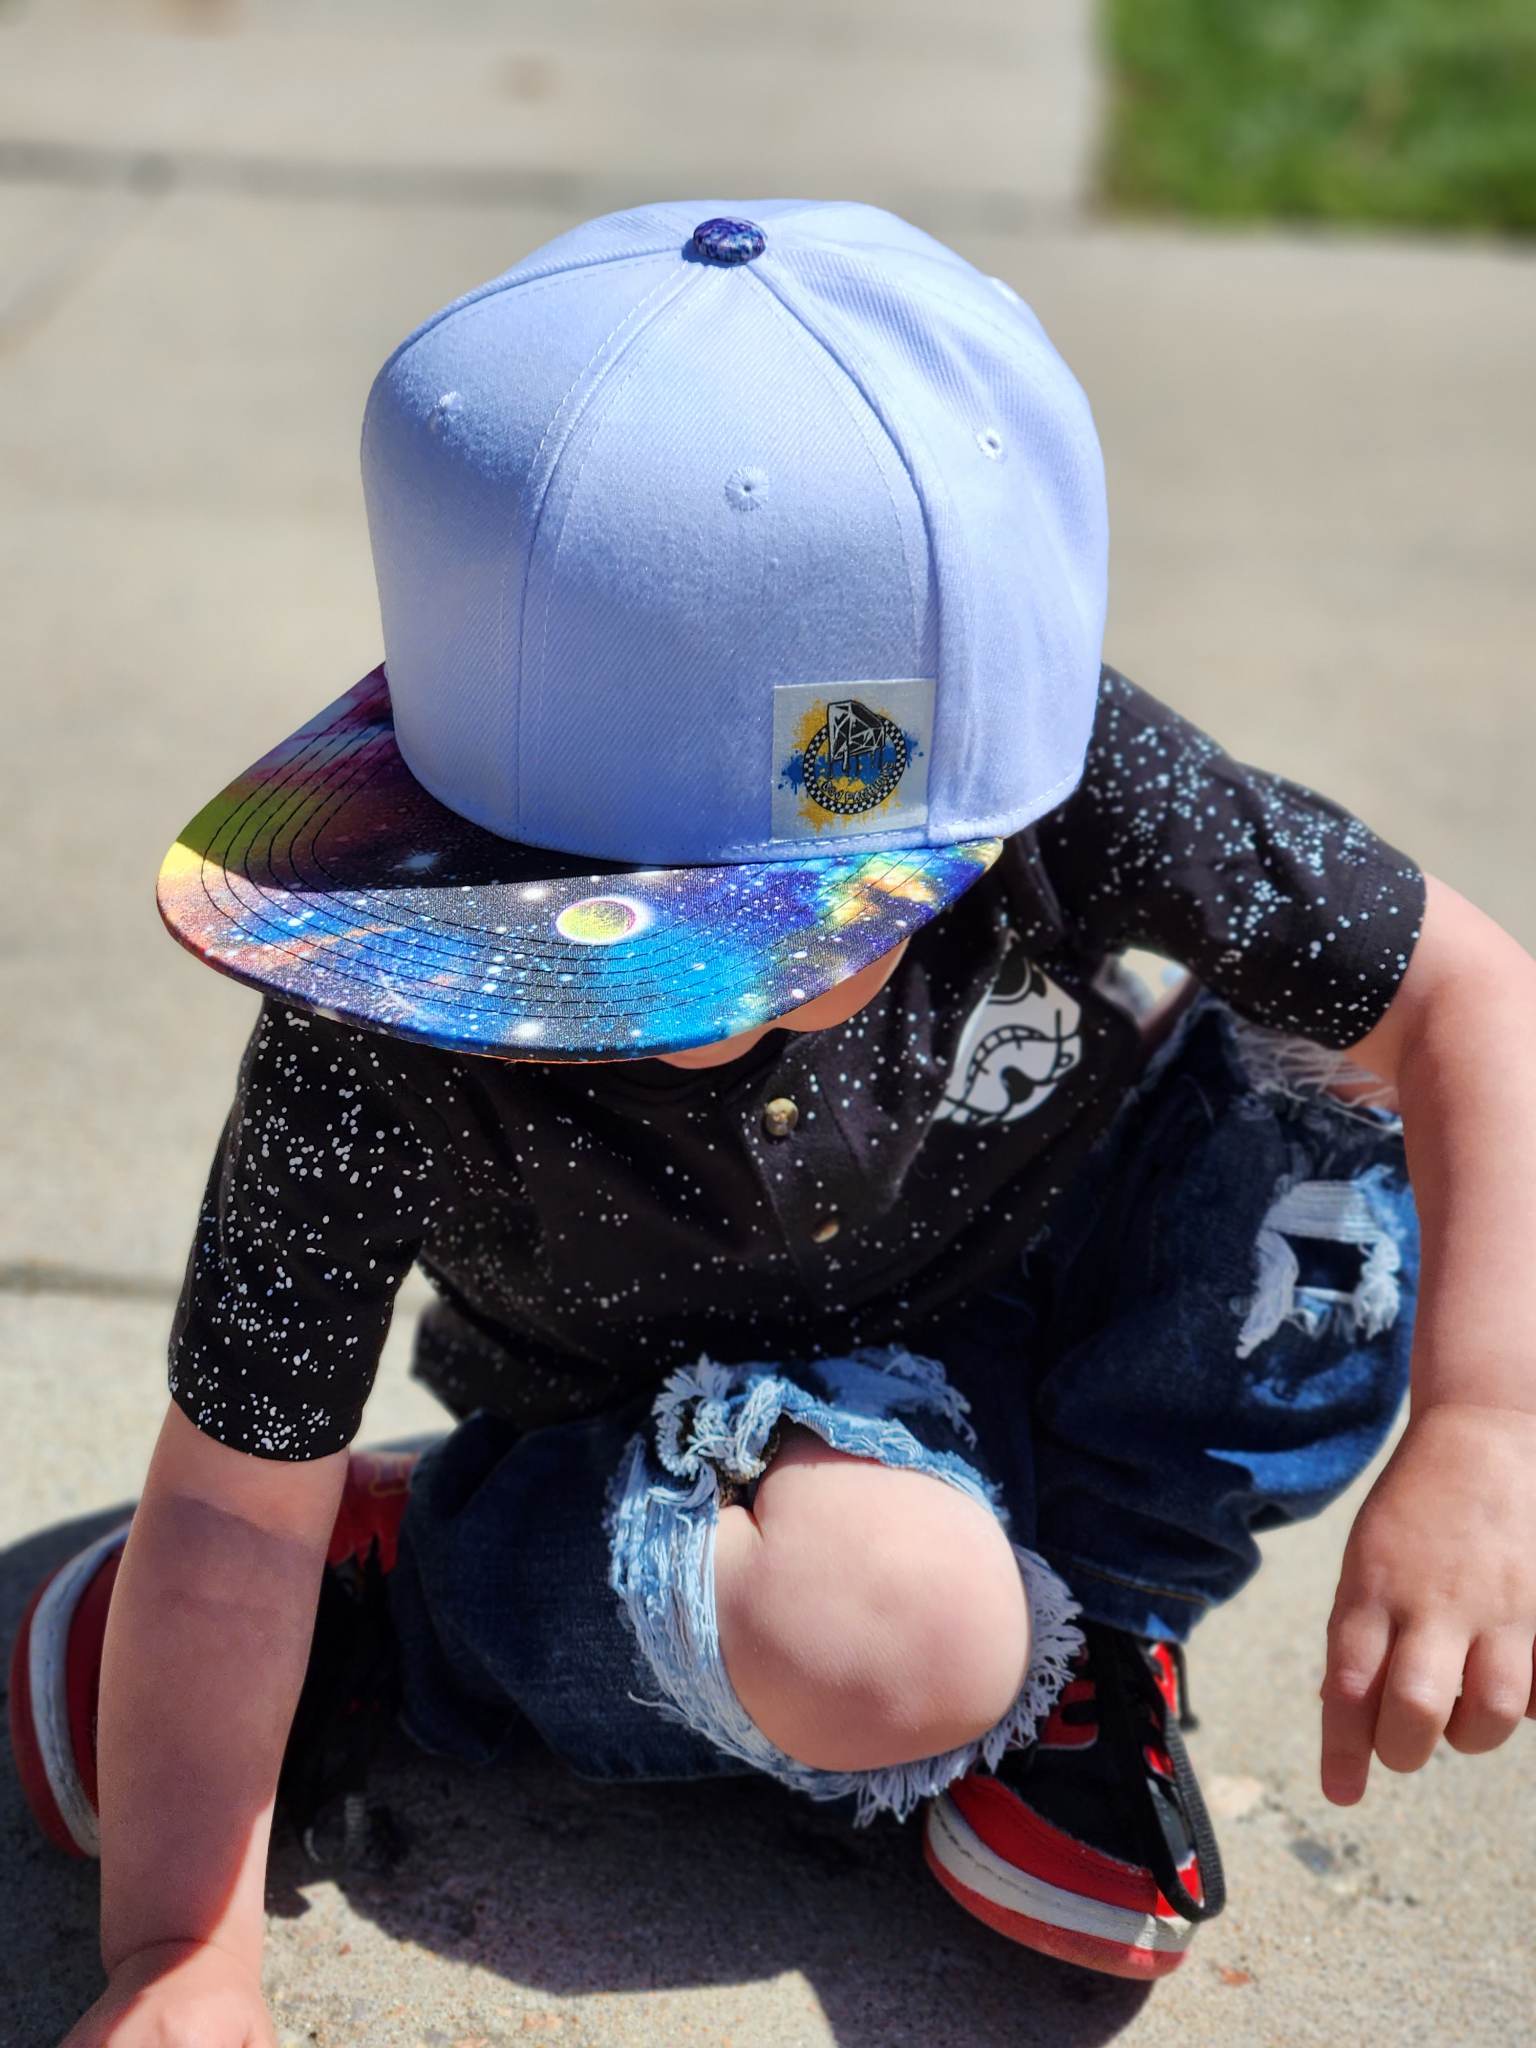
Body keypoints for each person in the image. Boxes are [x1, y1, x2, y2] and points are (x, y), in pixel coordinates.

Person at [10, 202, 1535, 2042]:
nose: (644, 1022)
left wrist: (1487, 1420)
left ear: (961, 801)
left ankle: (1096, 1615)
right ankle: (436, 1583)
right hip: (686, 1412)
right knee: (907, 1640)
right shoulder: (378, 1019)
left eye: (730, 936)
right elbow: (230, 1516)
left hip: (1035, 1242)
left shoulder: (1065, 774)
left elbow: (1466, 993)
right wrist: (182, 1955)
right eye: (551, 922)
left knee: (1347, 1097)